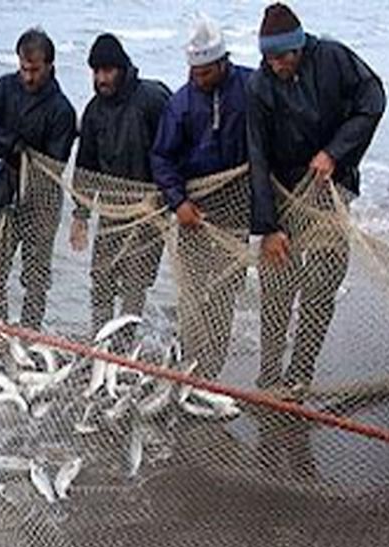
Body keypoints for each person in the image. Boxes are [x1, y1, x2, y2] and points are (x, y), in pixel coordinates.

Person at [247, 3, 385, 399]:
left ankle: (300, 375)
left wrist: (335, 152)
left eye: (281, 58)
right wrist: (268, 227)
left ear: (299, 47)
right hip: (284, 192)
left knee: (322, 282)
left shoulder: (333, 58)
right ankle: (269, 376)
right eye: (267, 59)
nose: (275, 66)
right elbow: (257, 157)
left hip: (330, 189)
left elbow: (373, 100)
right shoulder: (259, 86)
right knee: (276, 288)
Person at [151, 16, 253, 379]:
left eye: (206, 72)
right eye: (193, 71)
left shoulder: (251, 86)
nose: (198, 78)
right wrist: (178, 202)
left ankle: (211, 371)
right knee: (191, 291)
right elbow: (161, 158)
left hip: (236, 210)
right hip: (193, 210)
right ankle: (189, 363)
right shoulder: (180, 104)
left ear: (223, 63)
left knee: (224, 294)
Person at [0, 27, 77, 330]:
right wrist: (13, 147)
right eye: (23, 69)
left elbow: (54, 164)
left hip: (41, 201)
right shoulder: (6, 87)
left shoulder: (62, 111)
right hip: (4, 191)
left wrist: (26, 156)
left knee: (36, 277)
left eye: (35, 70)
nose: (28, 77)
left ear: (50, 67)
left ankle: (30, 333)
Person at [70, 33, 171, 340]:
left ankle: (126, 352)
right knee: (101, 278)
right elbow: (85, 166)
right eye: (97, 71)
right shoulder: (93, 112)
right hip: (112, 213)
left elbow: (172, 150)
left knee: (135, 282)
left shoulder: (153, 99)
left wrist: (169, 198)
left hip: (150, 212)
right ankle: (100, 341)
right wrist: (80, 215)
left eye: (108, 70)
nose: (102, 78)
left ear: (123, 69)